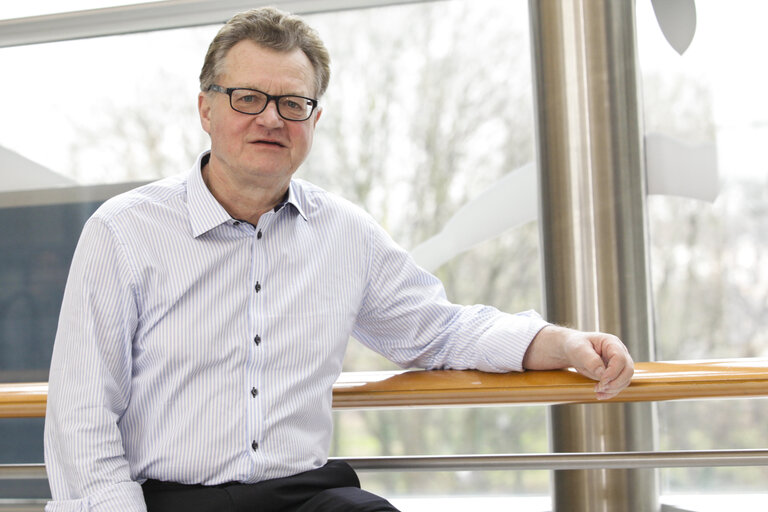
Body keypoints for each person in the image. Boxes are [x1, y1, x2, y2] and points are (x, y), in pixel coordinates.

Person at [43, 6, 634, 512]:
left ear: (314, 120)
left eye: (293, 103)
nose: (271, 118)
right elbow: (82, 416)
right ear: (206, 109)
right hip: (169, 497)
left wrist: (559, 343)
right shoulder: (123, 232)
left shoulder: (345, 233)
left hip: (301, 495)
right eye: (248, 98)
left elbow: (440, 329)